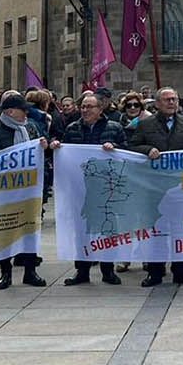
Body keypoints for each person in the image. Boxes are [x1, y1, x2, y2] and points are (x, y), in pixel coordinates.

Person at [129, 87, 183, 286]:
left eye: (174, 99)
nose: (172, 102)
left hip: (181, 187)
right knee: (156, 231)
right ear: (156, 104)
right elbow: (132, 146)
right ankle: (155, 272)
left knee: (181, 231)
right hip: (154, 188)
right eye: (167, 99)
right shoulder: (145, 124)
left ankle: (180, 271)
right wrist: (147, 149)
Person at [0, 92, 48, 290]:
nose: (26, 112)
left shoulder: (31, 128)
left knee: (29, 229)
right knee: (4, 232)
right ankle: (5, 273)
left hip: (29, 190)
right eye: (22, 109)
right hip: (3, 192)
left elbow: (46, 147)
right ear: (9, 111)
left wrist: (45, 146)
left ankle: (30, 271)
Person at [54, 93, 126, 285]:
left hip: (105, 188)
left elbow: (127, 151)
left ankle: (108, 269)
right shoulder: (72, 128)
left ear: (100, 109)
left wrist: (115, 147)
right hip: (80, 187)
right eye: (83, 107)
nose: (85, 110)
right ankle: (82, 270)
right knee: (81, 229)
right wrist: (57, 146)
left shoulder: (114, 128)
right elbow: (65, 151)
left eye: (89, 107)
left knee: (107, 228)